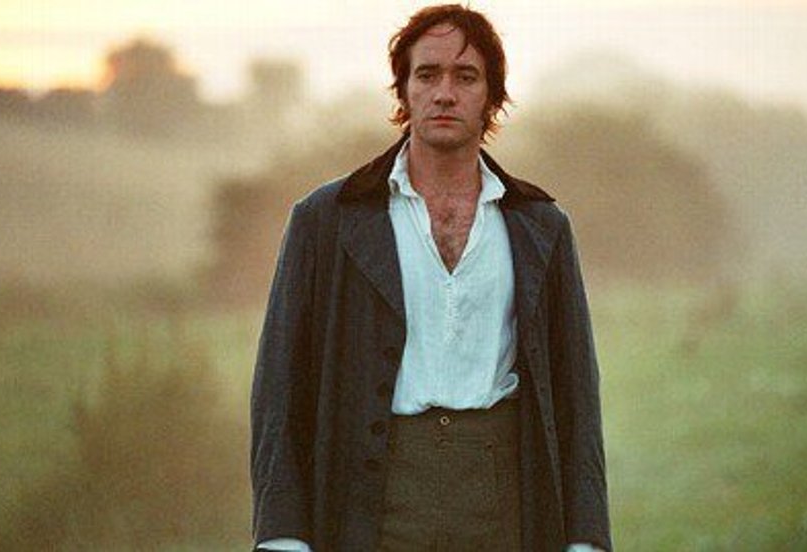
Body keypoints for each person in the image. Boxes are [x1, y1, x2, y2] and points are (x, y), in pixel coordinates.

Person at [250, 4, 611, 551]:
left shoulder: (540, 226)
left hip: (504, 503)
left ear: (492, 96)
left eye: (465, 77)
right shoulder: (327, 219)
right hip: (370, 504)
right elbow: (279, 387)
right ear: (403, 90)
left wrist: (585, 538)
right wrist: (281, 535)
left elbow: (576, 394)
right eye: (427, 74)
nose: (445, 93)